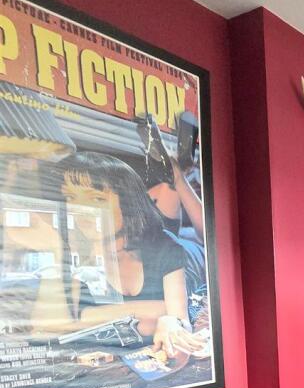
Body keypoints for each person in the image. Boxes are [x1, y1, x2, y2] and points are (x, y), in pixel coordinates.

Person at [58, 151, 204, 358]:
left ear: (128, 202)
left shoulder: (163, 245)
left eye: (97, 198)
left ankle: (177, 179)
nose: (81, 210)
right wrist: (158, 313)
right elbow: (66, 326)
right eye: (70, 198)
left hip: (193, 258)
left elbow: (179, 324)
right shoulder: (71, 254)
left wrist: (93, 315)